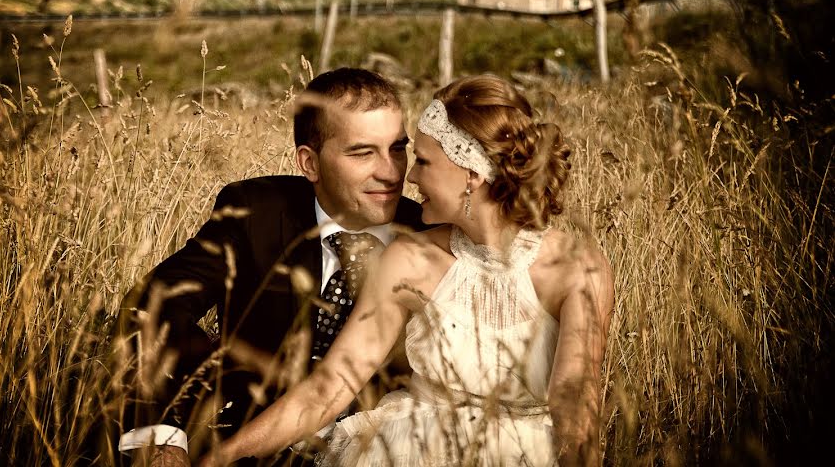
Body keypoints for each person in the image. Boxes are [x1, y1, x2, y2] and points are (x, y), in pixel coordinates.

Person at [197, 74, 615, 467]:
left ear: (471, 174)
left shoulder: (577, 267)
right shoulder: (408, 259)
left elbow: (574, 410)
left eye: (424, 162)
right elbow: (327, 390)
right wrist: (218, 459)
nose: (407, 176)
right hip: (410, 443)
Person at [116, 68, 426, 466]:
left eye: (398, 148)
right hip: (244, 436)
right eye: (362, 152)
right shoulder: (256, 212)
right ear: (309, 163)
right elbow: (154, 304)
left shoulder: (427, 232)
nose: (391, 172)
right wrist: (163, 439)